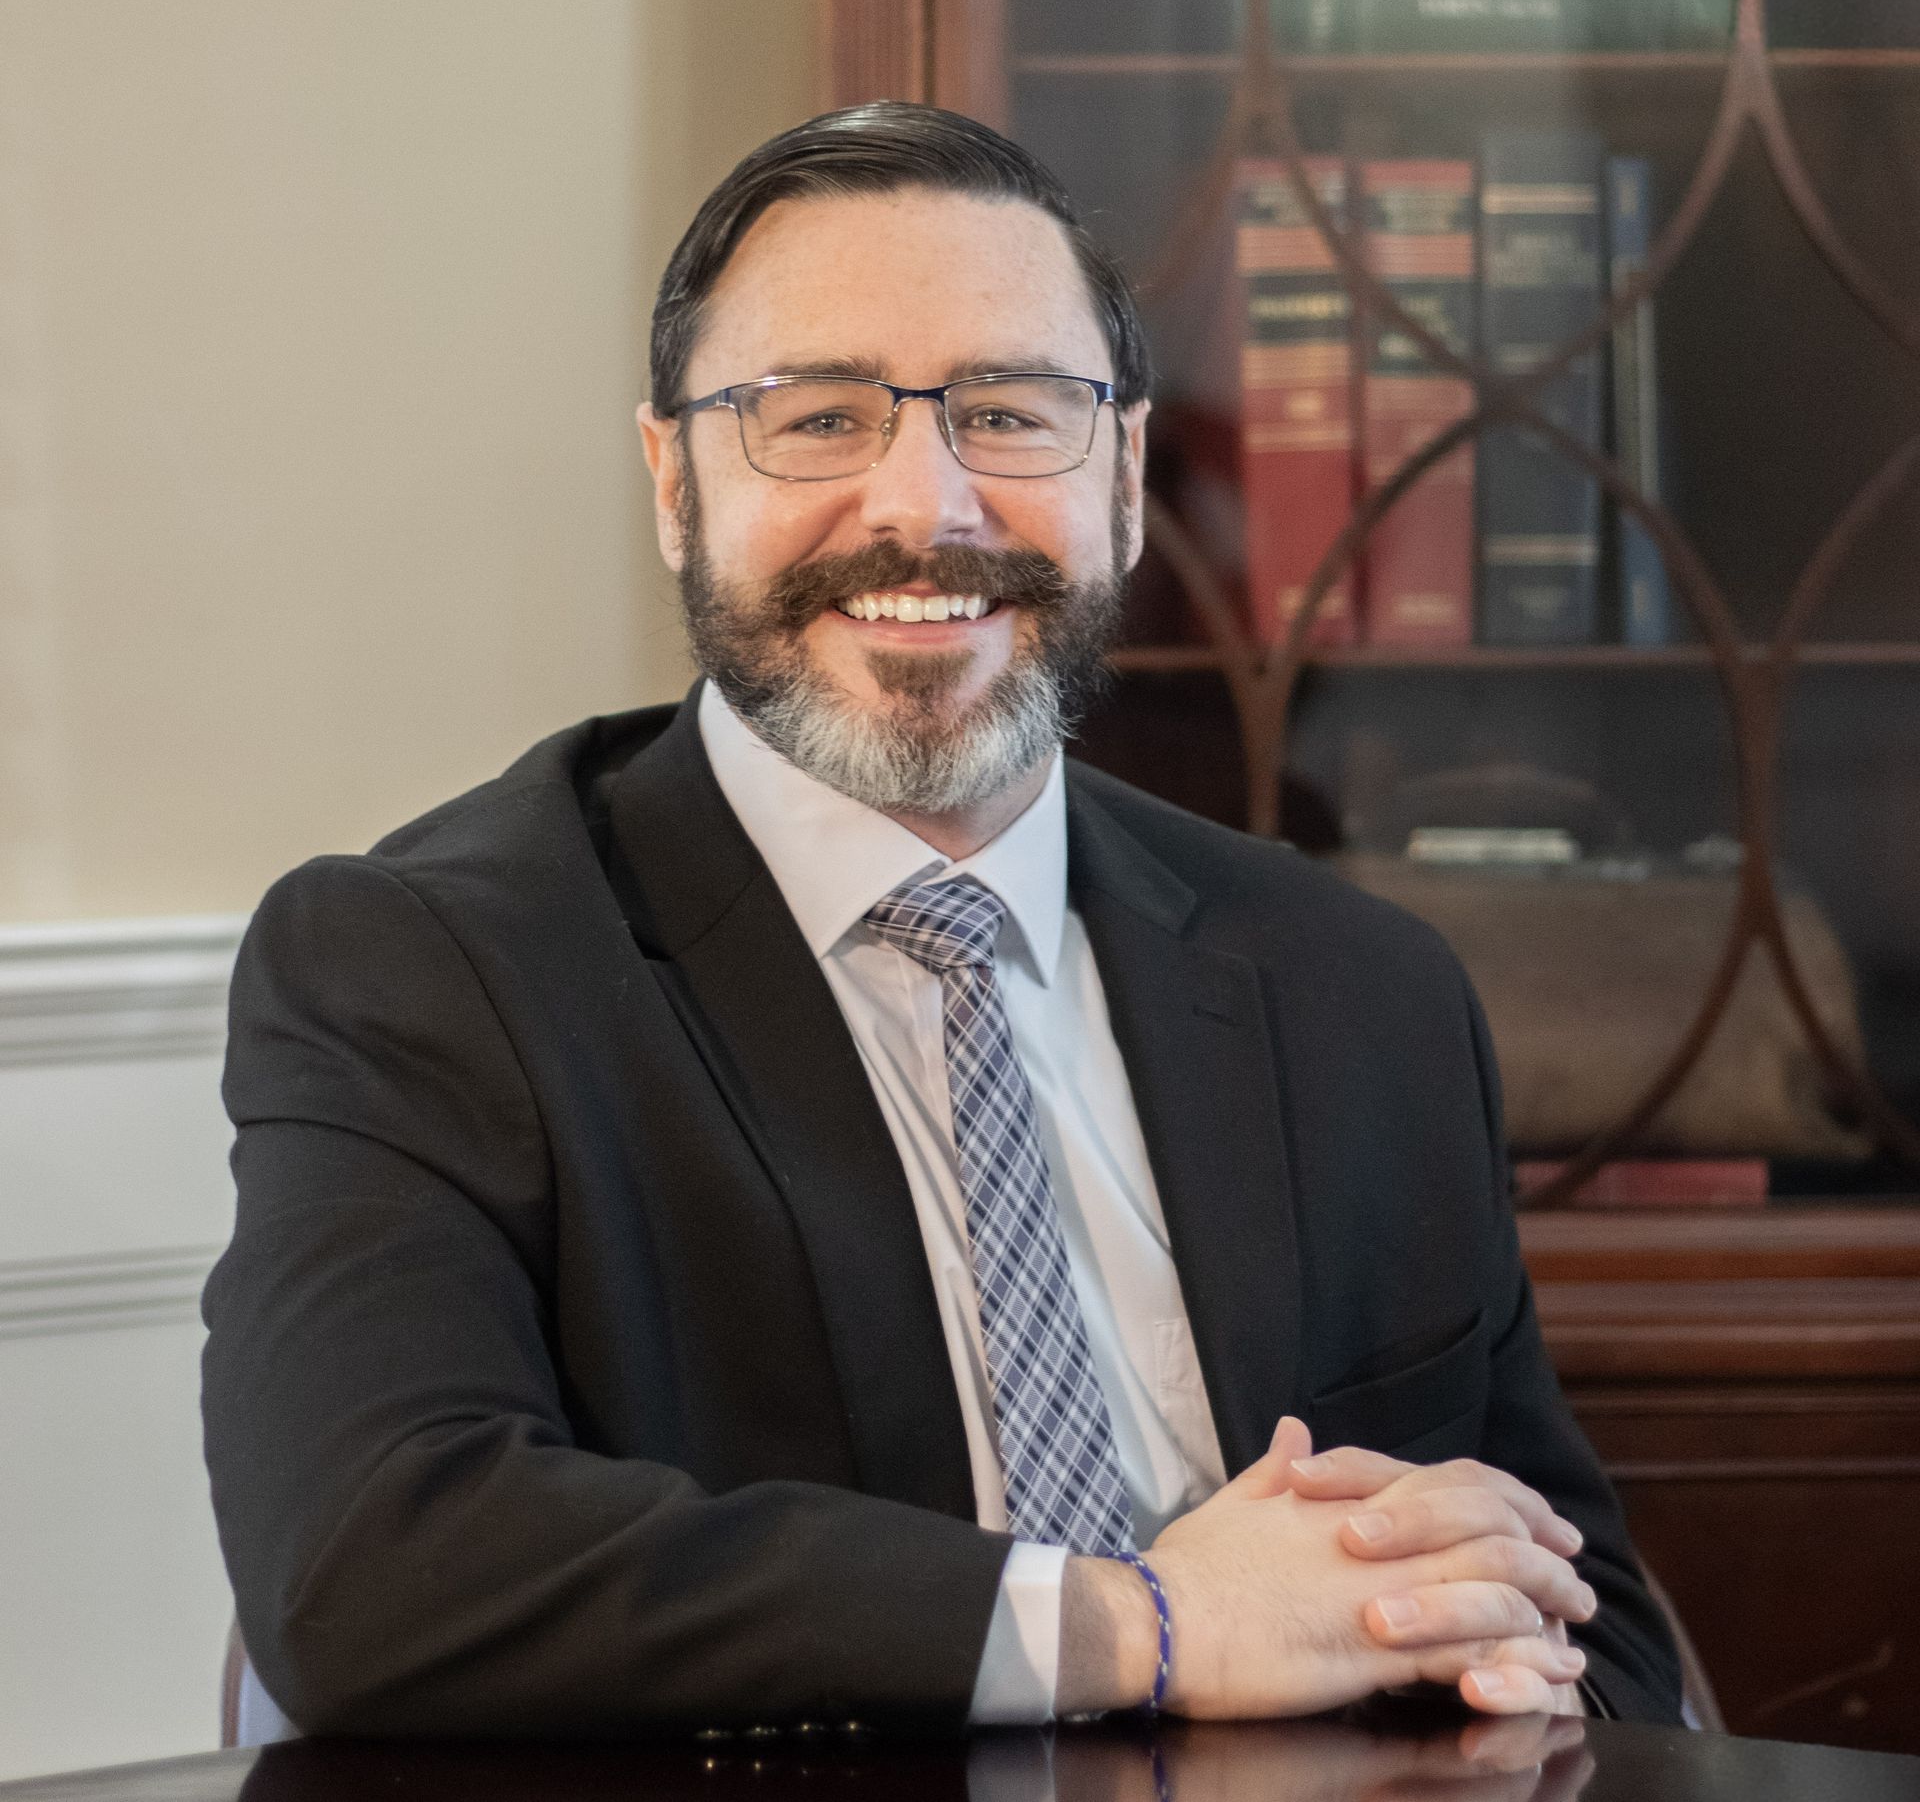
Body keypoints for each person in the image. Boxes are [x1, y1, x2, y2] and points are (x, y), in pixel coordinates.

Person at [201, 103, 1681, 1738]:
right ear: (674, 481)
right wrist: (1146, 1624)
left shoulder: (1355, 988)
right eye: (817, 418)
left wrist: (1477, 1635)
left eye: (1011, 411)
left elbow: (1586, 1625)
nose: (929, 503)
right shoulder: (424, 972)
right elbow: (370, 1566)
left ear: (1123, 477)